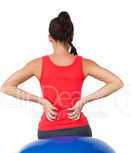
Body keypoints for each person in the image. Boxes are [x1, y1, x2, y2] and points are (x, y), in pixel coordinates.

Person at [0, 11, 124, 140]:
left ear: (49, 37)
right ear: (72, 36)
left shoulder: (37, 64)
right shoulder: (84, 64)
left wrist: (41, 101)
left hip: (48, 130)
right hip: (78, 129)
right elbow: (116, 82)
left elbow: (6, 87)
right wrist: (83, 101)